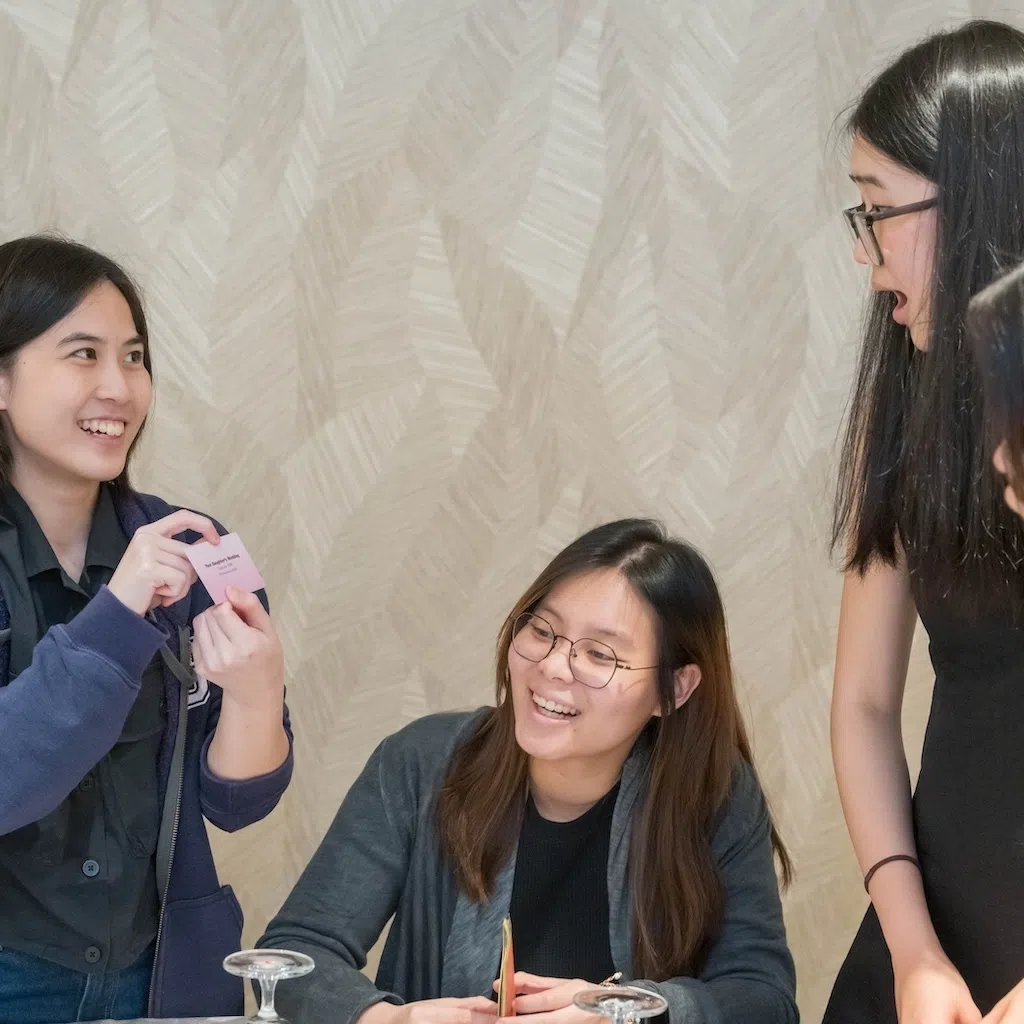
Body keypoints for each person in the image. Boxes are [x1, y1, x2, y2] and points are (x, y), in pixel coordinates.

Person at [259, 519, 796, 1024]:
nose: (553, 666)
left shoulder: (714, 794)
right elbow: (293, 956)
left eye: (599, 654)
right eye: (542, 630)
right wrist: (384, 1017)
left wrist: (627, 1010)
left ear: (673, 690)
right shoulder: (422, 762)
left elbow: (763, 996)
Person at [0, 235, 294, 1023]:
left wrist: (258, 694)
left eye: (133, 358)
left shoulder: (192, 546)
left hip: (159, 970)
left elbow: (238, 804)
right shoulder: (142, 577)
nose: (118, 388)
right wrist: (119, 615)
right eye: (82, 354)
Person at [825, 20, 1024, 1024]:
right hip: (931, 938)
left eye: (880, 216)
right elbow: (863, 703)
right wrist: (913, 949)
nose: (869, 263)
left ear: (985, 196)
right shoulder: (904, 395)